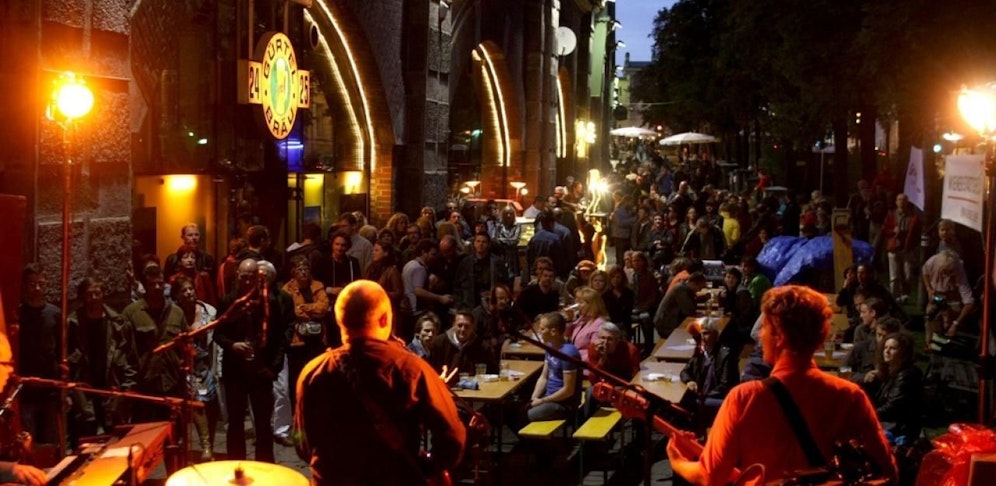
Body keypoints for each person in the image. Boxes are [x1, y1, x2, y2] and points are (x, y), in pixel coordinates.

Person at [666, 285, 897, 484]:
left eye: (765, 327)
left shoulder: (744, 398)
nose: (760, 336)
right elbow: (888, 471)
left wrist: (678, 460)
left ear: (780, 336)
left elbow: (710, 476)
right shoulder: (850, 395)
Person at [295, 280, 466, 484]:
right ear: (385, 319)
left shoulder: (313, 372)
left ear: (339, 320)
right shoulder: (410, 368)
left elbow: (302, 442)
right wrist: (423, 467)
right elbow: (452, 438)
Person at [214, 258, 290, 462]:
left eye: (251, 277)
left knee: (264, 424)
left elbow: (280, 338)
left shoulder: (269, 302)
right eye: (243, 277)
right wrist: (232, 345)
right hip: (235, 371)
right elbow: (217, 334)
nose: (247, 282)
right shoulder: (229, 301)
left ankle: (265, 466)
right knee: (235, 423)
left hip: (261, 371)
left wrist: (273, 368)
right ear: (238, 277)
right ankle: (236, 464)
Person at [171, 276, 221, 460]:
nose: (188, 293)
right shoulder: (174, 313)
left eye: (190, 288)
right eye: (183, 290)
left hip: (205, 365)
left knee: (212, 405)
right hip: (186, 366)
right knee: (198, 402)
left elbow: (216, 339)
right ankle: (205, 447)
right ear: (177, 295)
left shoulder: (209, 311)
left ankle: (210, 444)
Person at [526, 312, 581, 421]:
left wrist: (543, 401)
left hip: (563, 403)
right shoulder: (550, 347)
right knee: (518, 409)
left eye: (542, 329)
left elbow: (568, 390)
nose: (539, 331)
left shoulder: (568, 353)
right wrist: (533, 399)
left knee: (527, 415)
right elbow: (544, 377)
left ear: (553, 332)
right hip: (549, 398)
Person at [869, 332, 923, 442]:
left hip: (898, 429)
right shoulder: (891, 370)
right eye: (885, 347)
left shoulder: (906, 375)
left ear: (904, 352)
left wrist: (867, 414)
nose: (887, 351)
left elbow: (893, 407)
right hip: (889, 422)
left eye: (892, 348)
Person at [428, 310, 497, 375]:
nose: (463, 329)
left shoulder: (482, 347)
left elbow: (492, 371)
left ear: (473, 327)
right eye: (460, 325)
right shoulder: (439, 343)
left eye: (466, 326)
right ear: (453, 325)